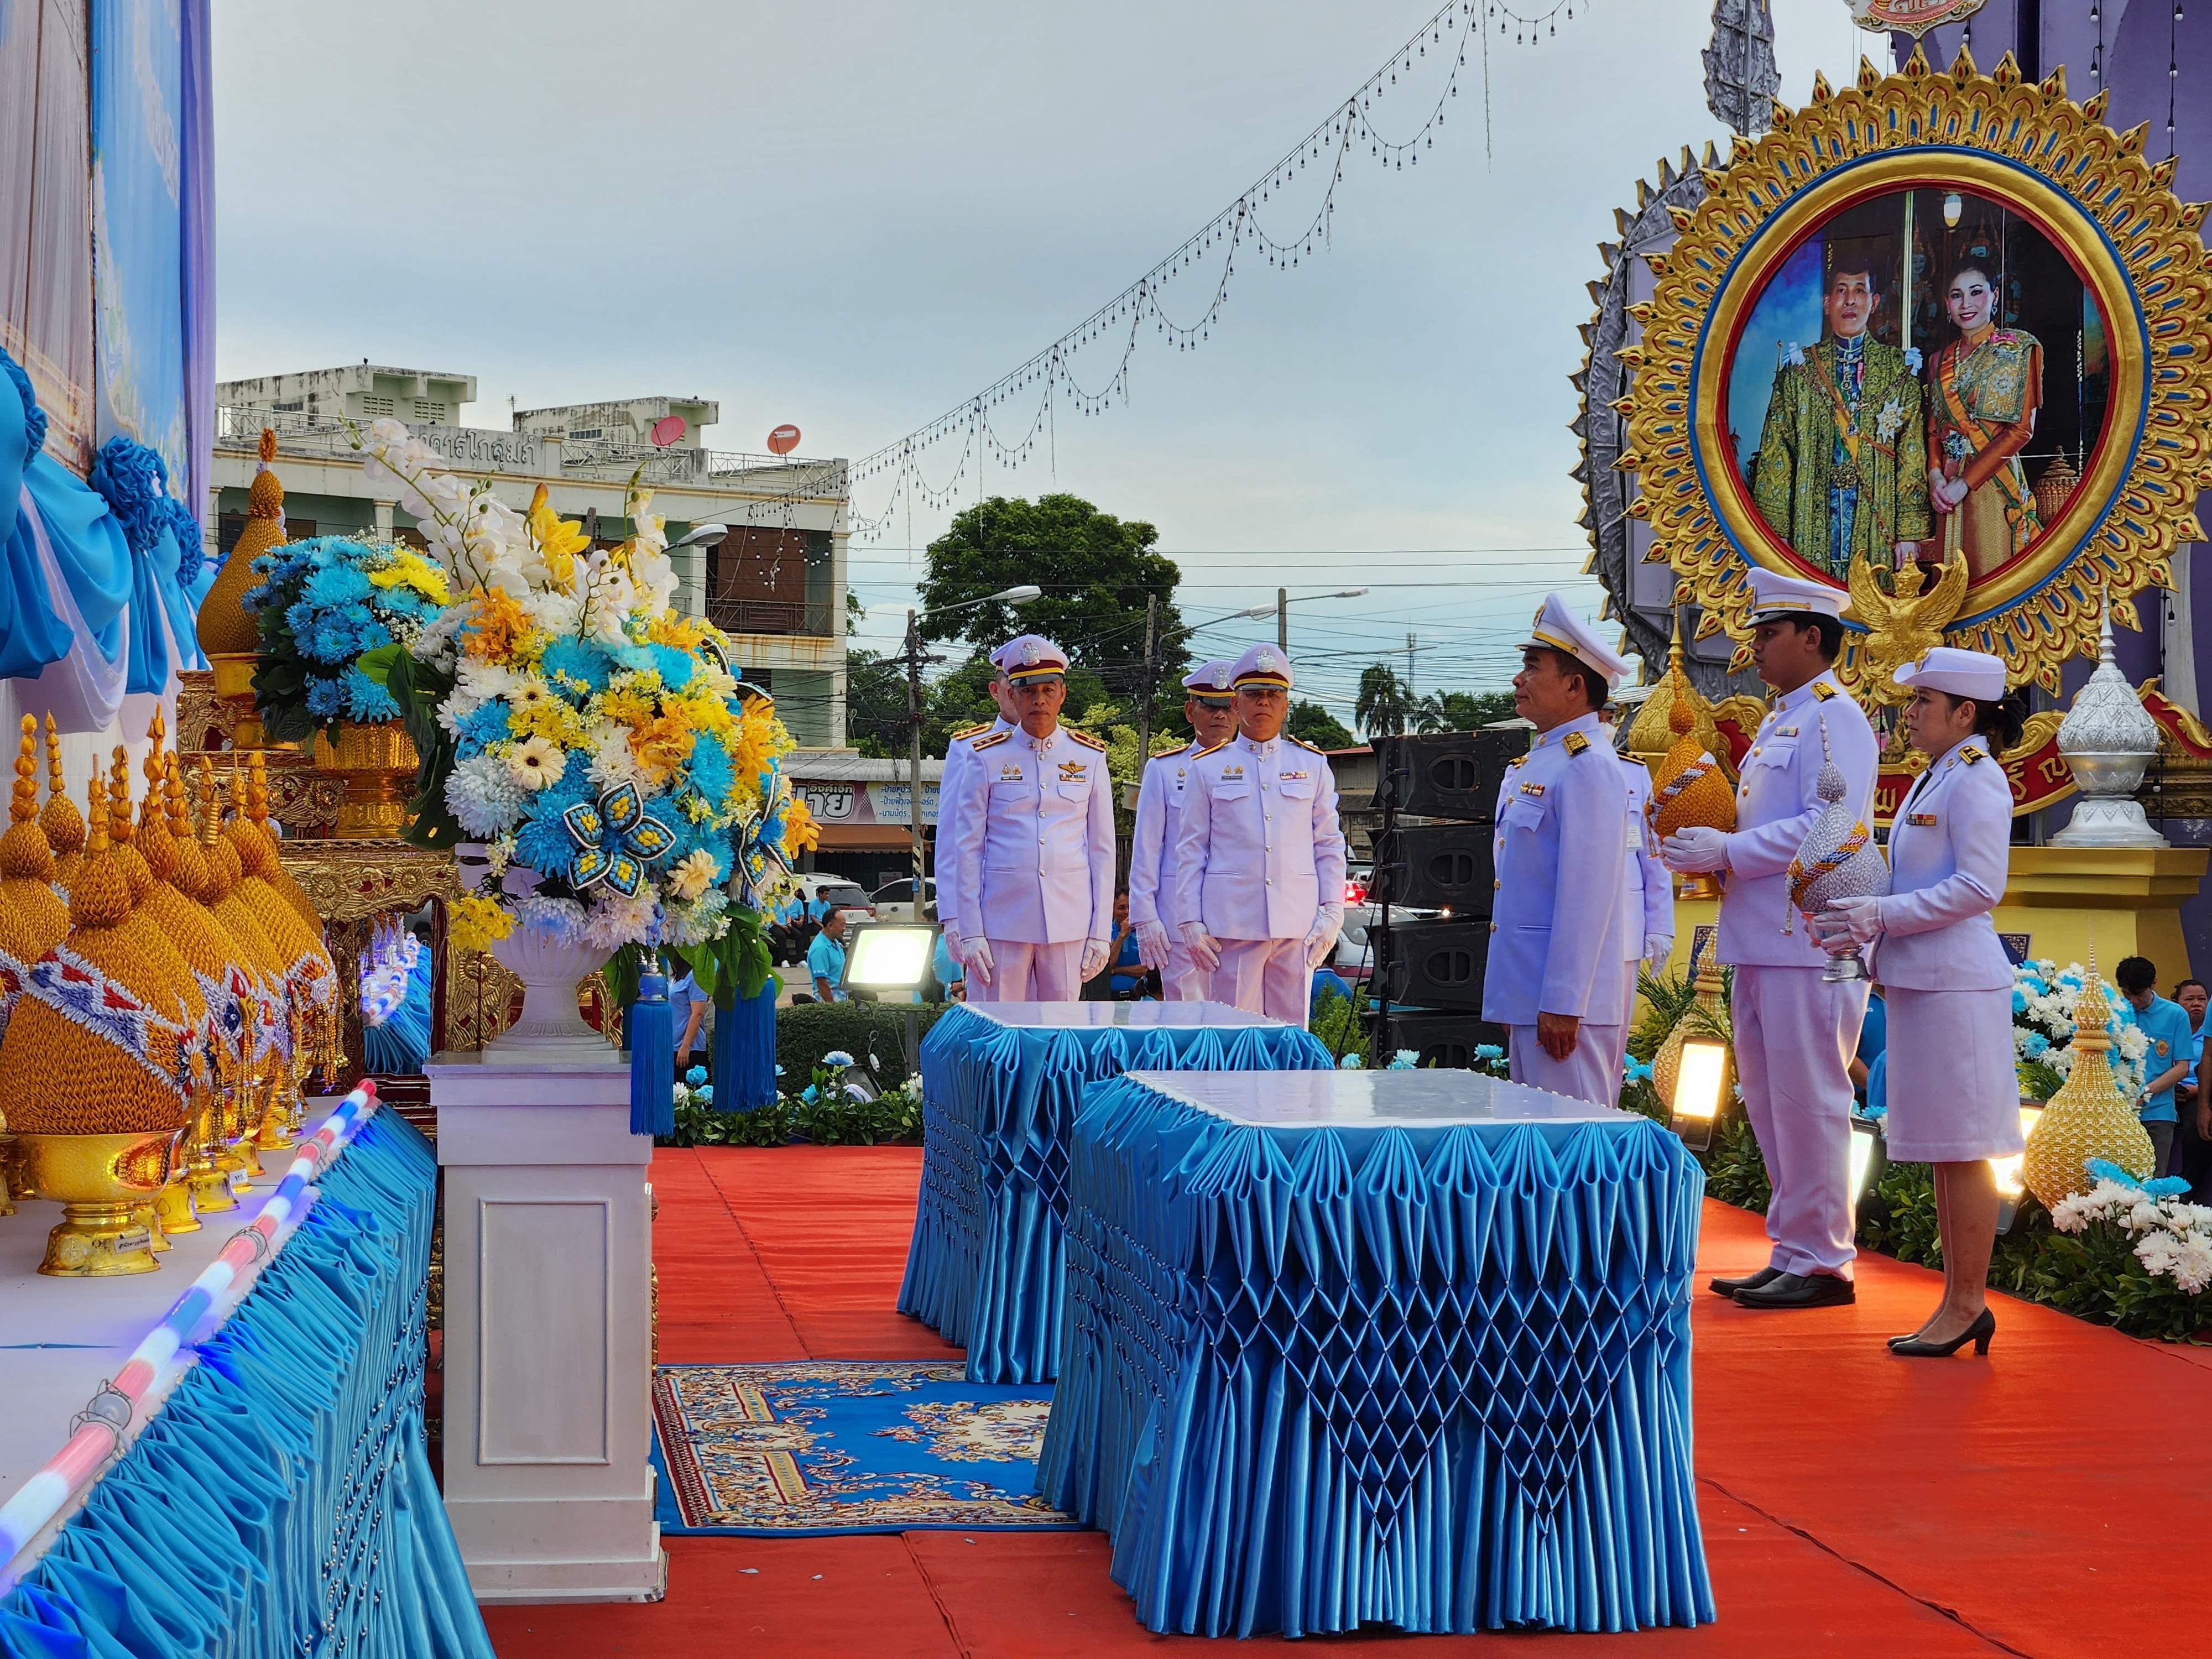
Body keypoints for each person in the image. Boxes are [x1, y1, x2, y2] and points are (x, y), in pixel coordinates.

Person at [1662, 568, 1878, 1310]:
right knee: (1768, 1099)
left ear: (1812, 638)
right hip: (1762, 936)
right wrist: (1716, 853)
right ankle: (1792, 1247)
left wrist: (1727, 850)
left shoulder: (1834, 718)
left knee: (1809, 1098)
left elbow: (1834, 826)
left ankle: (1824, 1260)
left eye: (1769, 632)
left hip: (1809, 939)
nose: (1753, 646)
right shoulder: (1784, 721)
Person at [1813, 647, 2025, 1357]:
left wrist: (1879, 915)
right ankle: (1956, 1301)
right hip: (1923, 981)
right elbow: (1909, 882)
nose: (1909, 714)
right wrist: (1859, 926)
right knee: (1944, 1151)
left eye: (1922, 702)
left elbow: (1979, 887)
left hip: (1957, 984)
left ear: (1965, 714)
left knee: (1964, 1151)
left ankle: (1967, 1303)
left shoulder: (1977, 779)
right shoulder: (1937, 776)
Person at [1479, 596, 1632, 1108]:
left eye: (1532, 668)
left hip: (1566, 1006)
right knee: (1534, 1141)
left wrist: (1564, 1001)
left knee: (1573, 1140)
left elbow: (1587, 896)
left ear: (1574, 686)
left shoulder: (1588, 766)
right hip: (1531, 995)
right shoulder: (1541, 761)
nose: (1518, 680)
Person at [1174, 644, 1347, 1026]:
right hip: (1232, 924)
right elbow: (1191, 849)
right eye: (1254, 695)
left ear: (1286, 706)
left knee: (1290, 1036)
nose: (1264, 703)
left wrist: (1333, 911)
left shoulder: (1312, 764)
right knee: (1235, 1037)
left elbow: (1328, 844)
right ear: (1236, 704)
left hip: (1297, 924)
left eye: (1273, 695)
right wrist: (1189, 920)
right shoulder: (1208, 768)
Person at [946, 634, 1115, 1002]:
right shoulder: (984, 757)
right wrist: (969, 929)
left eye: (1048, 690)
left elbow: (1103, 851)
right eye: (1028, 691)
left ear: (1062, 694)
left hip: (1069, 919)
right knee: (1000, 1027)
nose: (1039, 700)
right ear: (1012, 695)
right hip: (1002, 919)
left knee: (1061, 1027)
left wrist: (1101, 931)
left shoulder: (1089, 757)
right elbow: (968, 849)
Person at [1749, 251, 1930, 580]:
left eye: (1860, 290)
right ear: (1826, 303)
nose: (1850, 300)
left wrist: (1909, 533)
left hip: (1877, 518)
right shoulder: (1800, 371)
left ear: (1874, 302)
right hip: (1810, 521)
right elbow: (1778, 452)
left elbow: (1912, 455)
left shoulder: (1899, 371)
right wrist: (1776, 532)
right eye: (1841, 290)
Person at [1927, 262, 2043, 583]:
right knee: (1949, 588)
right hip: (1947, 488)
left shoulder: (2018, 348)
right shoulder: (1938, 360)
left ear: (1995, 296)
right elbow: (1934, 432)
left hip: (1993, 484)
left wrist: (1966, 482)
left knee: (1992, 578)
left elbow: (2021, 431)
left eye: (1976, 292)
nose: (1966, 304)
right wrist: (1935, 475)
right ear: (1947, 304)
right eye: (1957, 295)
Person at [1130, 661, 1239, 1000]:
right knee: (1187, 1017)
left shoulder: (1256, 768)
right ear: (1191, 712)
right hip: (1178, 920)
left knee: (1240, 1018)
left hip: (1239, 917)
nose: (1220, 715)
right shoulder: (1165, 770)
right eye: (1210, 706)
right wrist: (1145, 916)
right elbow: (1147, 847)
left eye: (1228, 707)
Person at [1604, 701, 1673, 1092]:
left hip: (1624, 928)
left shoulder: (1633, 772)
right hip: (1557, 931)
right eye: (1601, 716)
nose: (1606, 724)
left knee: (1612, 1049)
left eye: (1610, 717)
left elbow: (1652, 852)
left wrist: (1660, 925)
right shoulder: (1538, 769)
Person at [935, 664, 1016, 968]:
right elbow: (950, 837)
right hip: (986, 906)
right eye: (1014, 689)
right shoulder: (969, 748)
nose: (1024, 697)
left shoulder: (1066, 750)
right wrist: (953, 915)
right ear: (996, 691)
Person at [2114, 956, 2193, 1177]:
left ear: (2154, 982)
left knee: (2153, 1180)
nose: (2133, 1001)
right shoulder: (2115, 1012)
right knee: (2114, 1180)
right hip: (2118, 1111)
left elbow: (2182, 1067)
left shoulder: (2175, 1014)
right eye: (2127, 994)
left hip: (2158, 1112)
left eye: (2139, 994)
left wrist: (2146, 1092)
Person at [2173, 977, 2209, 1196]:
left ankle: (2186, 1192)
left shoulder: (2209, 1035)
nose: (2196, 1003)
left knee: (2197, 1131)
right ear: (2176, 1003)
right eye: (2189, 999)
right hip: (2166, 1092)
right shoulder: (2170, 1029)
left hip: (2200, 1094)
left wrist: (2199, 1091)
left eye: (2202, 999)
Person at [807, 907, 850, 1004]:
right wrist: (831, 1007)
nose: (844, 929)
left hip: (841, 998)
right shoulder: (820, 948)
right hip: (829, 1001)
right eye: (842, 925)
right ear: (830, 926)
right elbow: (821, 982)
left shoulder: (834, 942)